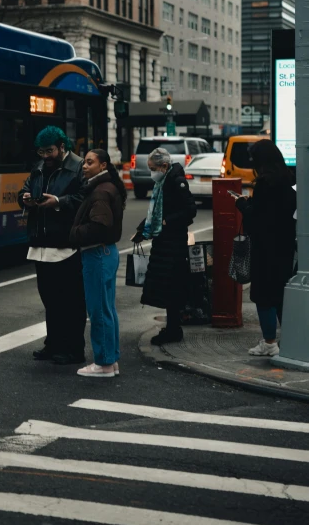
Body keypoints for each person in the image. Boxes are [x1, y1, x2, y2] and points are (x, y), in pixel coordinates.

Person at [19, 126, 87, 365]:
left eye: (49, 151)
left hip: (65, 244)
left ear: (62, 147)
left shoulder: (78, 167)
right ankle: (54, 344)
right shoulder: (39, 167)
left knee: (71, 301)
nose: (45, 156)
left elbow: (84, 199)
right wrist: (25, 198)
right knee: (50, 299)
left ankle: (74, 349)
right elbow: (26, 188)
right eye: (41, 151)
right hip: (41, 244)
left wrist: (58, 202)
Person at [233, 139, 296, 357]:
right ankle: (289, 340)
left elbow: (256, 223)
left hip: (265, 250)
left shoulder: (264, 186)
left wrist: (243, 205)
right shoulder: (288, 181)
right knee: (280, 296)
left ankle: (269, 342)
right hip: (285, 248)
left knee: (263, 296)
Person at [69, 149, 126, 378]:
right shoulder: (107, 186)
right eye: (84, 162)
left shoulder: (101, 191)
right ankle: (110, 361)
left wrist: (73, 232)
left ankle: (103, 363)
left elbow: (99, 227)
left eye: (90, 163)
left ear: (103, 166)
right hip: (106, 253)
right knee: (107, 309)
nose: (84, 166)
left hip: (97, 255)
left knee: (98, 311)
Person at [132, 147, 197, 346]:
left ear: (164, 166)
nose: (152, 173)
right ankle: (171, 328)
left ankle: (173, 330)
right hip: (163, 242)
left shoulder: (176, 182)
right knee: (166, 288)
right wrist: (142, 230)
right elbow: (155, 214)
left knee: (172, 287)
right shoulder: (163, 183)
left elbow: (190, 211)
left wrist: (167, 221)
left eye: (153, 168)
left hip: (174, 244)